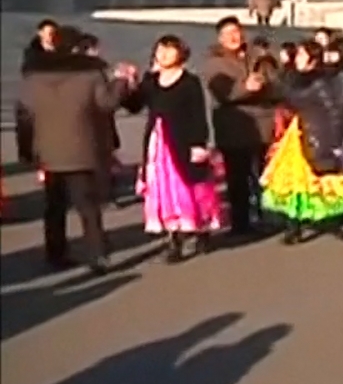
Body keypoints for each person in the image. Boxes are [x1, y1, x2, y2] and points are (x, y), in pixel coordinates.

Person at [16, 25, 130, 274]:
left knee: (54, 205)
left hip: (47, 149)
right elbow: (106, 103)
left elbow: (24, 115)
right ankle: (97, 254)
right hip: (82, 148)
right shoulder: (91, 74)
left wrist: (26, 150)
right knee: (87, 205)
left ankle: (55, 252)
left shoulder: (33, 76)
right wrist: (122, 81)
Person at [121, 35, 223, 262]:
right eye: (160, 49)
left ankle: (201, 229)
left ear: (181, 53)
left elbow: (198, 115)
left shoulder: (190, 82)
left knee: (192, 189)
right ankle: (173, 239)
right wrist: (129, 83)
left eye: (169, 50)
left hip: (183, 142)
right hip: (158, 146)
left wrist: (199, 144)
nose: (164, 54)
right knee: (163, 192)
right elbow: (133, 106)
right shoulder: (151, 80)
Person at [259, 42, 343, 243]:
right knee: (293, 180)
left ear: (312, 59)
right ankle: (294, 226)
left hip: (318, 134)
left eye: (301, 54)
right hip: (297, 134)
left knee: (326, 180)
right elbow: (285, 97)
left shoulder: (321, 82)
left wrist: (333, 141)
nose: (296, 57)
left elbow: (333, 111)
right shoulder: (293, 78)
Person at [203, 15, 278, 238]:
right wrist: (245, 87)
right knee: (237, 178)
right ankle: (241, 223)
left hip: (262, 124)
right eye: (228, 34)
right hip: (233, 128)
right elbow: (222, 92)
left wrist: (265, 84)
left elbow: (275, 83)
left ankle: (267, 216)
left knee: (264, 175)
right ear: (220, 38)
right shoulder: (214, 62)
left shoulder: (258, 57)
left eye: (236, 31)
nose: (234, 37)